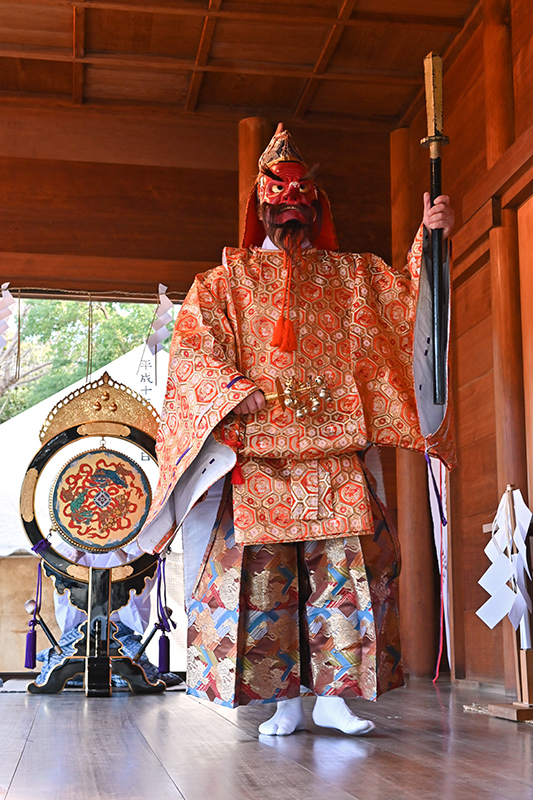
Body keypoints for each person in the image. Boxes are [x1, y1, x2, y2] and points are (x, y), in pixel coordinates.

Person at [138, 125, 455, 735]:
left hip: (333, 451)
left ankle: (336, 697)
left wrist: (430, 239)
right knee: (263, 588)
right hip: (261, 456)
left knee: (346, 575)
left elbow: (409, 305)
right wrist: (233, 389)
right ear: (260, 206)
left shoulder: (353, 277)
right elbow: (195, 351)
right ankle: (284, 701)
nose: (291, 206)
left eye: (302, 195)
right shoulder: (222, 283)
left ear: (317, 205)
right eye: (279, 196)